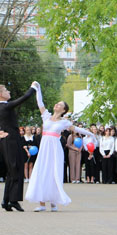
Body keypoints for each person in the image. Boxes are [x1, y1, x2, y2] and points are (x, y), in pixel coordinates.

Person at [24, 82, 95, 211]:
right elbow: (40, 103)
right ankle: (41, 204)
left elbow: (77, 128)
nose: (57, 105)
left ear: (63, 110)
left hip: (55, 148)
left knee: (53, 172)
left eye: (60, 105)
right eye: (57, 103)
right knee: (42, 171)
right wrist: (38, 89)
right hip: (44, 148)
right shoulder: (46, 116)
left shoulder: (64, 122)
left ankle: (54, 202)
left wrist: (90, 133)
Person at [0, 82, 36, 212]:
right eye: (6, 90)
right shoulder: (5, 107)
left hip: (8, 141)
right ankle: (13, 200)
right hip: (12, 141)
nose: (9, 92)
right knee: (16, 169)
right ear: (0, 94)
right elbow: (24, 98)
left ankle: (6, 200)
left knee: (12, 171)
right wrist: (33, 87)